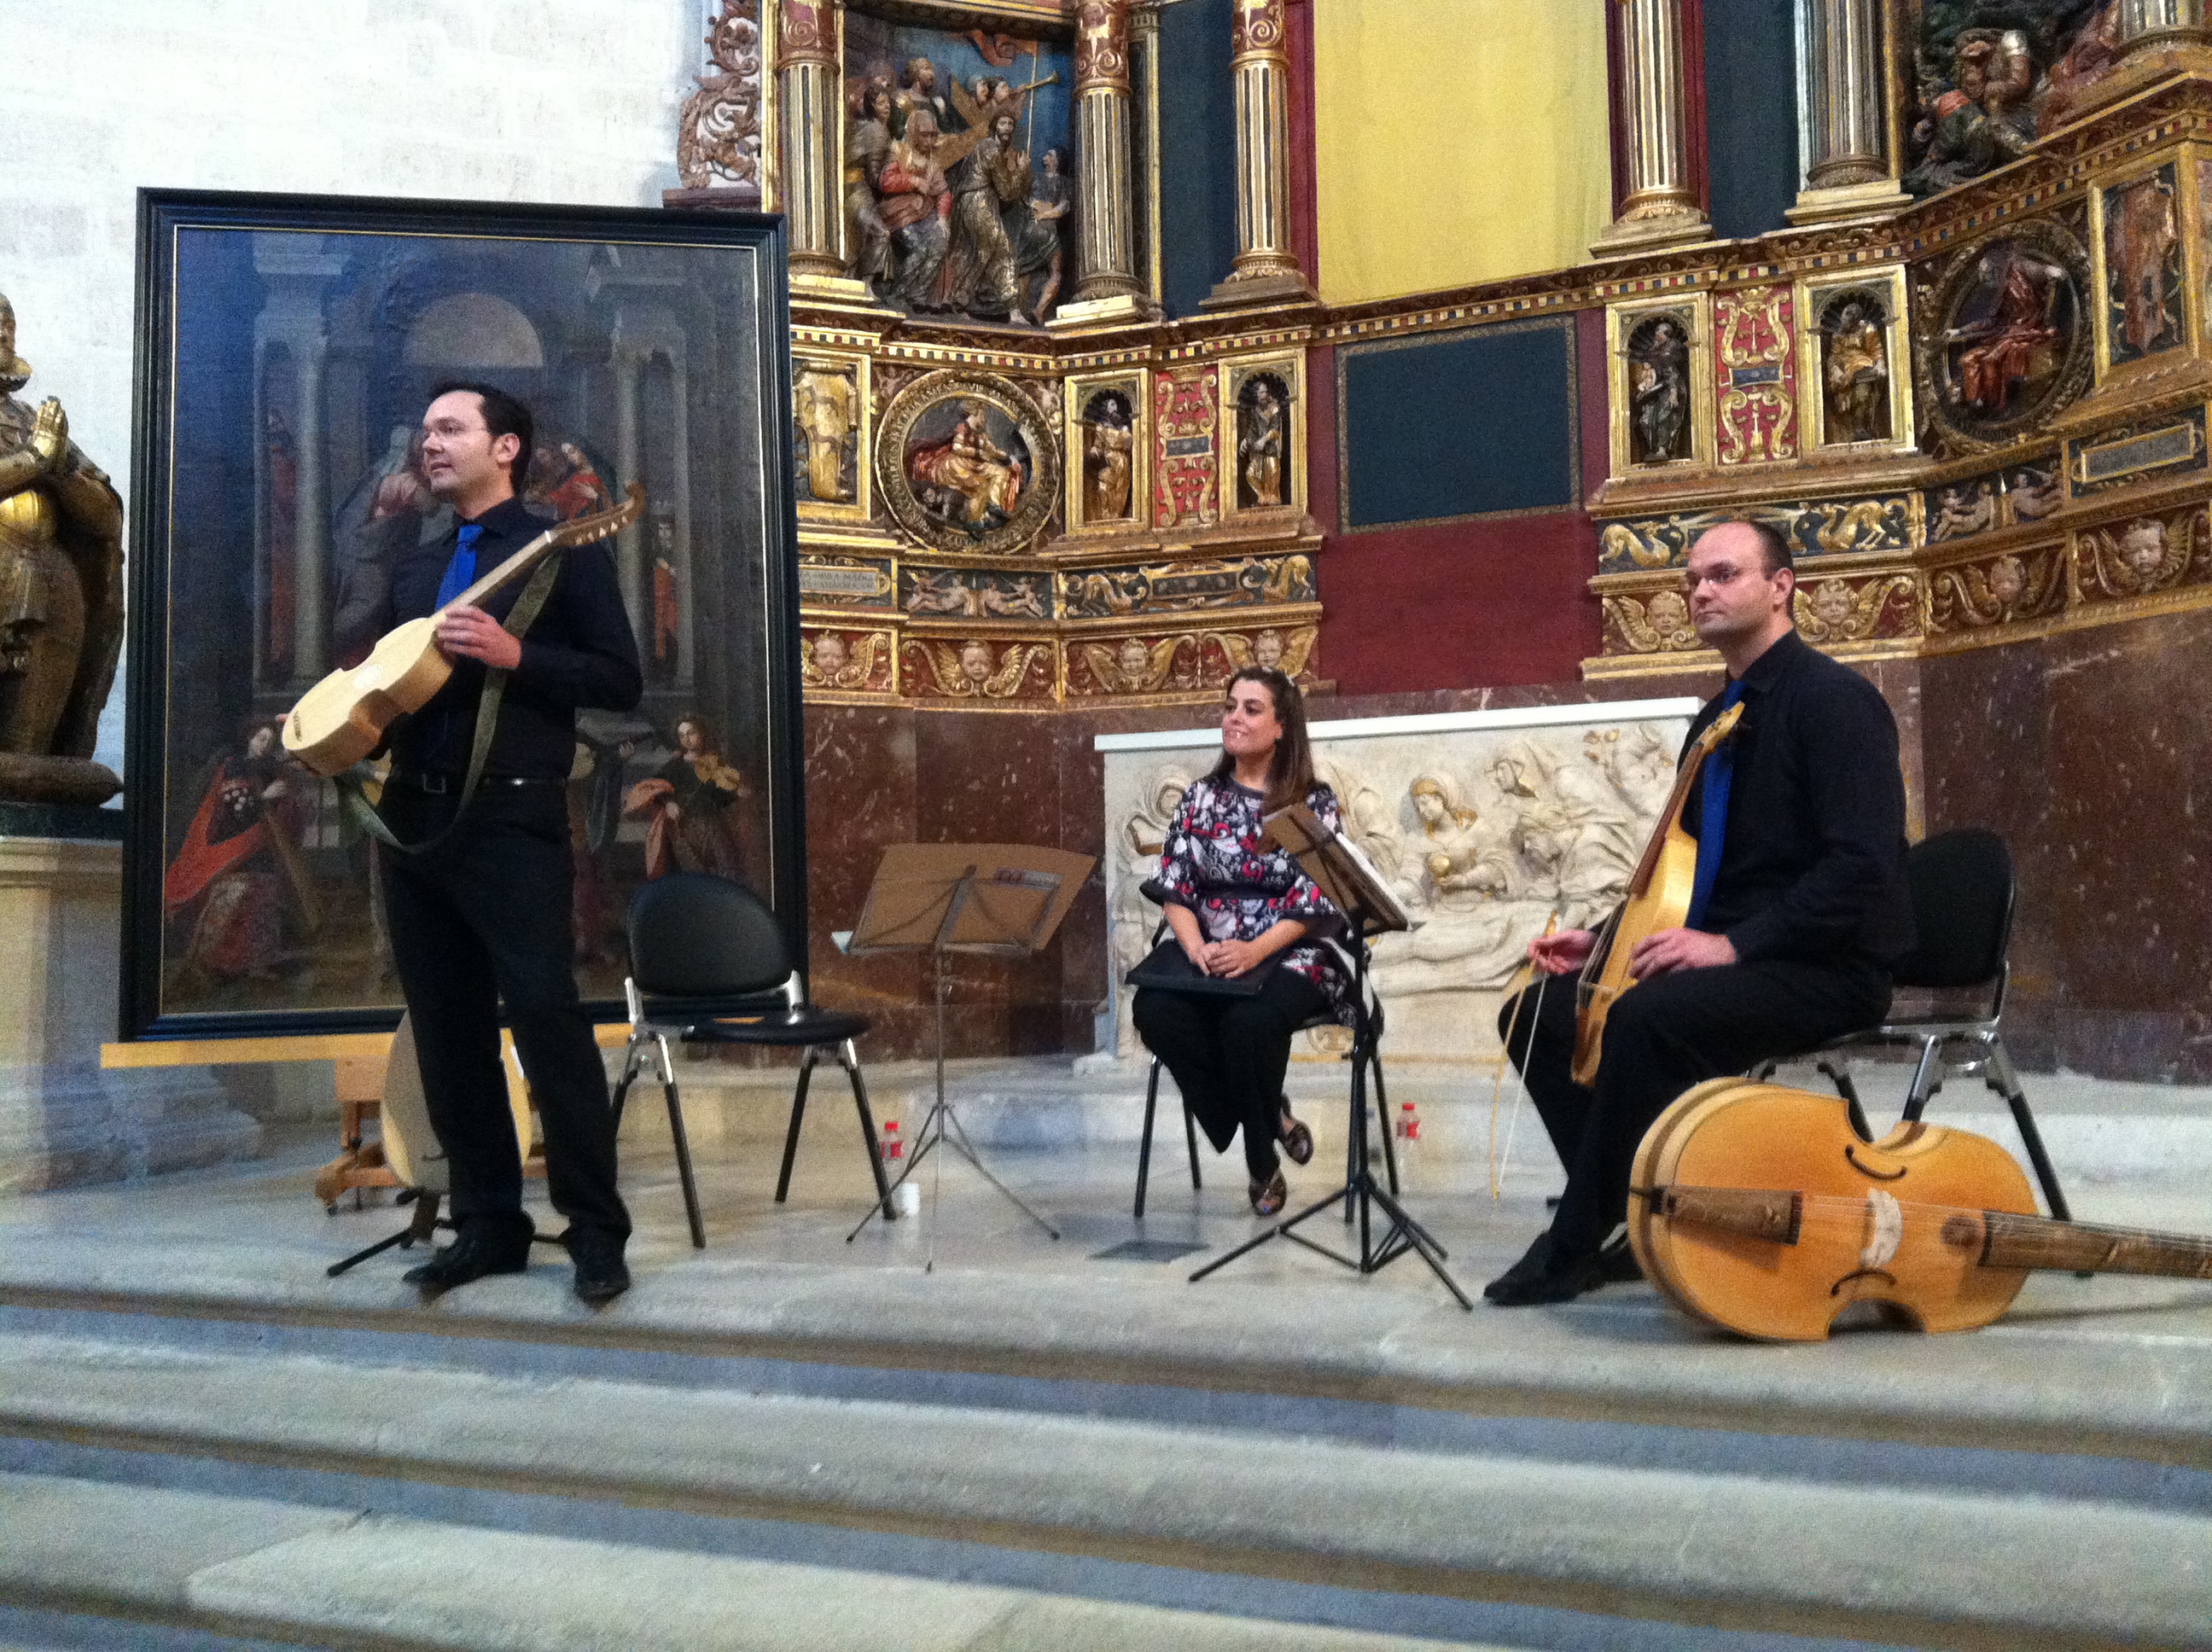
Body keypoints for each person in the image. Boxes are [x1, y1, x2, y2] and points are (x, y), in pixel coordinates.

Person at [1487, 519, 1912, 1306]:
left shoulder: (1836, 704)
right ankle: (1623, 1210)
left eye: (1723, 575)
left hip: (1826, 965)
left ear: (1781, 587)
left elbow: (1862, 870)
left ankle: (1576, 1240)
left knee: (1646, 1018)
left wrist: (1733, 947)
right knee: (1536, 1012)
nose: (1701, 592)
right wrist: (1607, 944)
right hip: (1744, 950)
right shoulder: (1717, 720)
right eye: (1692, 581)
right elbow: (1687, 878)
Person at [359, 381, 643, 1303]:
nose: (429, 443)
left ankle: (596, 1233)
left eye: (450, 428)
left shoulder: (560, 550)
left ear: (507, 447)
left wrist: (522, 658)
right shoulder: (417, 565)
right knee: (447, 1032)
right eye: (426, 430)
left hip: (512, 818)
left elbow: (619, 678)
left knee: (548, 1022)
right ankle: (488, 1224)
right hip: (413, 818)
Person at [1132, 666, 1348, 1216]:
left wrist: (1255, 952)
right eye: (1230, 706)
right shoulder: (1200, 798)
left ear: (1281, 726)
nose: (1234, 717)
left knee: (1249, 1021)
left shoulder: (1311, 802)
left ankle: (1260, 1163)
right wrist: (1196, 945)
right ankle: (1267, 1113)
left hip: (1291, 947)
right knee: (1154, 1010)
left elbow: (1313, 900)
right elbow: (1176, 888)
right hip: (1212, 945)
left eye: (1251, 708)